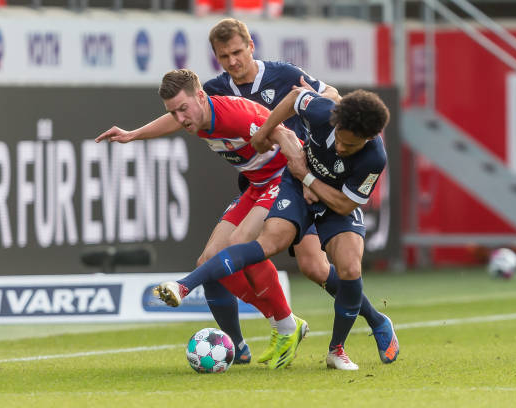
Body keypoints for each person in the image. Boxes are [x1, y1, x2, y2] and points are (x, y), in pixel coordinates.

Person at [97, 18, 394, 368]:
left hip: (294, 173)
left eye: (237, 52)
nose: (232, 61)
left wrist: (311, 146)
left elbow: (325, 102)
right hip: (261, 183)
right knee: (214, 260)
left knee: (309, 265)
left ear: (251, 46)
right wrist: (133, 134)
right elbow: (180, 115)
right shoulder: (213, 92)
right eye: (224, 56)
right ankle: (241, 345)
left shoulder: (281, 76)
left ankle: (345, 322)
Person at [155, 87, 399, 370]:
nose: (342, 149)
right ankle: (185, 286)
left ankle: (338, 348)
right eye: (341, 141)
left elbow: (344, 205)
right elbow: (294, 97)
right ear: (336, 122)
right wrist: (266, 130)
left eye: (351, 147)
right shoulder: (324, 113)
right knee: (267, 244)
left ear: (368, 139)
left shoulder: (374, 158)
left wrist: (307, 177)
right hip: (295, 187)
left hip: (332, 200)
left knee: (348, 268)